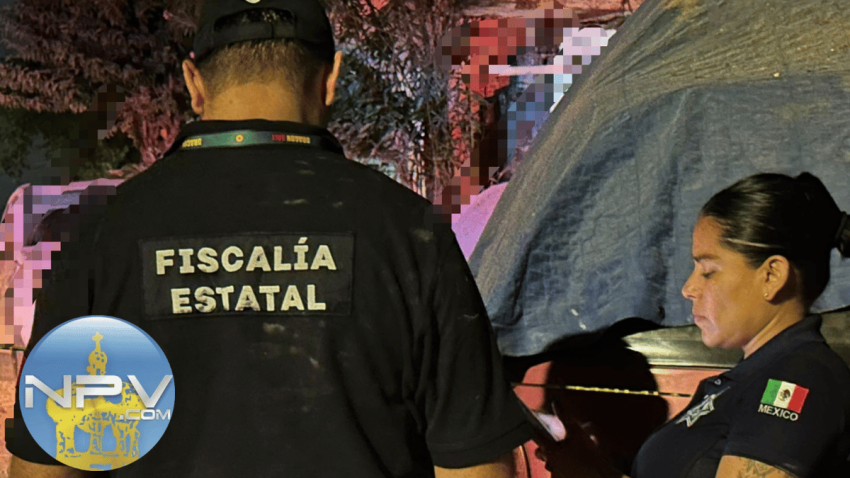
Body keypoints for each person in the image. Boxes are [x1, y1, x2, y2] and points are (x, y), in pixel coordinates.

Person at [6, 1, 533, 476]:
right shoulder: (412, 233)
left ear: (194, 83)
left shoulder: (101, 236)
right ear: (331, 80)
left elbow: (47, 468)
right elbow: (475, 466)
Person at [539, 172, 850, 478]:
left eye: (708, 271)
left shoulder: (798, 378)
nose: (688, 289)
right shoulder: (753, 375)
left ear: (771, 276)